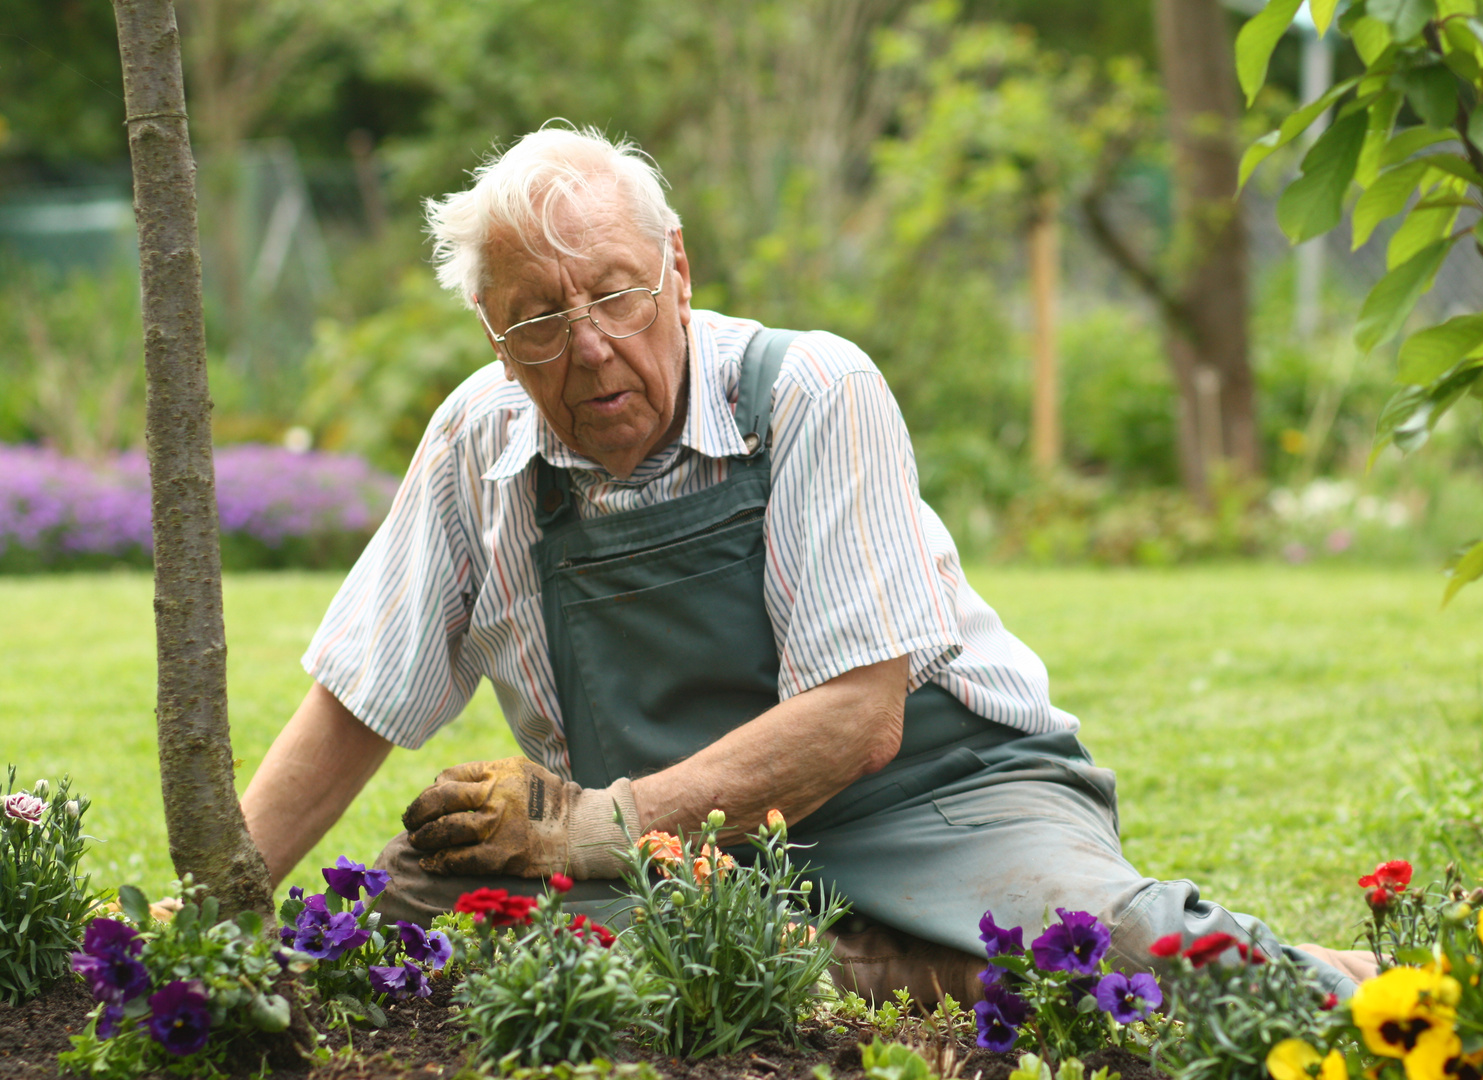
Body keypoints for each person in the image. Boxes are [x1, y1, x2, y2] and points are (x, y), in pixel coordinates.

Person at [239, 125, 1373, 1002]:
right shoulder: (475, 445)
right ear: (494, 335)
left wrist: (584, 833)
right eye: (537, 320)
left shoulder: (809, 393)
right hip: (682, 860)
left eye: (616, 294)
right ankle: (886, 968)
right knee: (407, 939)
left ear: (677, 269)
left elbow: (857, 723)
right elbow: (356, 700)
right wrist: (211, 910)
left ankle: (1361, 991)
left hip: (936, 797)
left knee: (1119, 956)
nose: (588, 347)